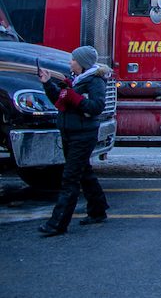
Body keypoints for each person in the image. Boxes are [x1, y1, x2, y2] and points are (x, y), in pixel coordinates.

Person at [36, 45, 111, 236]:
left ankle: (57, 223)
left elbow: (96, 107)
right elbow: (61, 101)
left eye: (73, 59)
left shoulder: (94, 81)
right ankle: (97, 210)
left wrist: (74, 96)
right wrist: (47, 84)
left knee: (70, 178)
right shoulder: (77, 80)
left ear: (82, 63)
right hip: (72, 132)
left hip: (82, 134)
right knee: (84, 172)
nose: (70, 62)